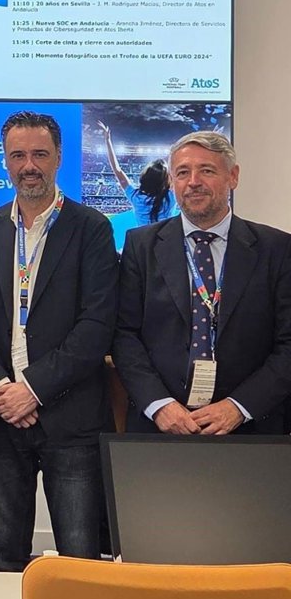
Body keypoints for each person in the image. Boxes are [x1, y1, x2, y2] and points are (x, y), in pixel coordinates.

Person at [0, 111, 117, 571]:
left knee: (79, 558)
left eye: (39, 154)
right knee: (4, 554)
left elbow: (96, 326)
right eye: (18, 156)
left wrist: (30, 389)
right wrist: (1, 387)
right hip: (1, 417)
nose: (28, 166)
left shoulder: (91, 228)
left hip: (70, 419)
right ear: (5, 160)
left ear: (58, 158)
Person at [113, 131, 291, 436]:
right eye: (183, 172)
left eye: (206, 170)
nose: (193, 182)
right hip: (160, 427)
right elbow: (123, 334)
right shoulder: (140, 246)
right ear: (172, 181)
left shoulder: (276, 249)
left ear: (233, 176)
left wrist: (239, 407)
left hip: (251, 429)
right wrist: (158, 404)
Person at [97, 120, 176, 224]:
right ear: (166, 181)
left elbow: (117, 169)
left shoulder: (136, 197)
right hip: (168, 235)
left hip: (142, 235)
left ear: (145, 177)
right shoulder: (171, 197)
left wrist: (107, 140)